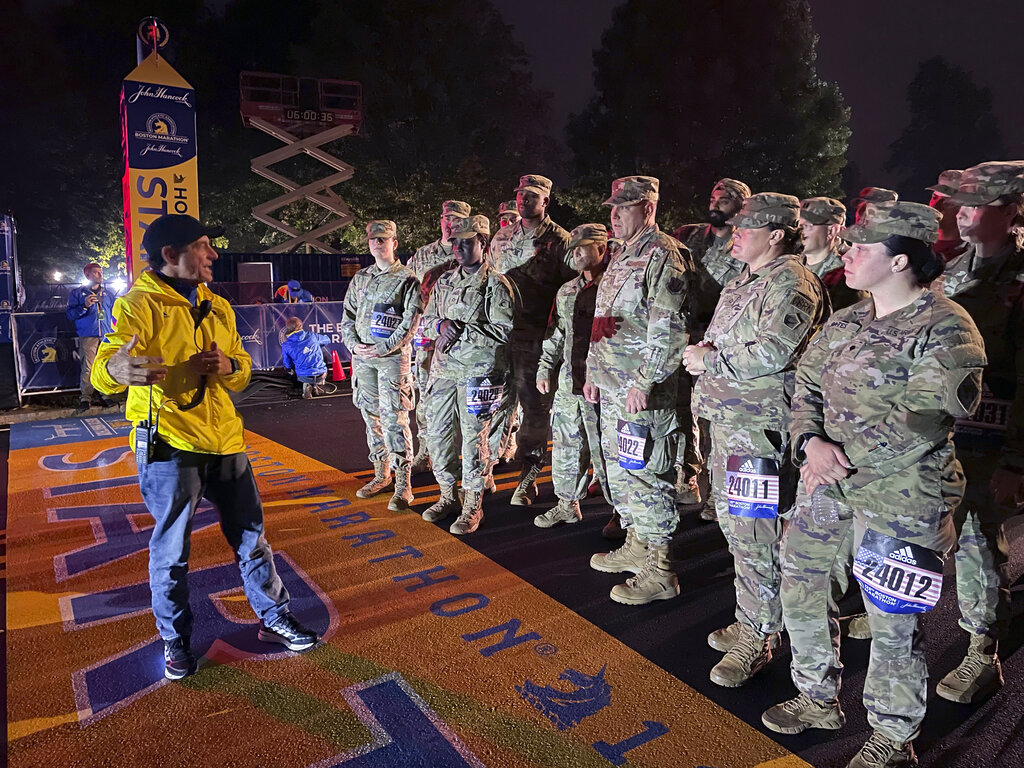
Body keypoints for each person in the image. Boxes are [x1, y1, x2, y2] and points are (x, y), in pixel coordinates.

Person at [779, 200, 984, 768]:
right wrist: (810, 445)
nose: (847, 253)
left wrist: (838, 457)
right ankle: (817, 698)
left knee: (894, 624)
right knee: (800, 588)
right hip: (827, 484)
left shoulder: (946, 326)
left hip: (903, 496)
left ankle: (894, 737)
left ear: (901, 262)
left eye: (862, 247)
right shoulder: (846, 320)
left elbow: (925, 419)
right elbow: (805, 386)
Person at [90, 214, 319, 680]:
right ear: (171, 256)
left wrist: (227, 363)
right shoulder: (136, 305)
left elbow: (241, 371)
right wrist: (117, 370)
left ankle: (274, 617)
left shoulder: (218, 306)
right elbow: (104, 367)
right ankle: (175, 641)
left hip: (225, 439)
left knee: (253, 538)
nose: (213, 255)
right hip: (169, 443)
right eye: (203, 246)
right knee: (171, 551)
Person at [684, 193, 825, 687]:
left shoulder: (792, 283)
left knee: (755, 532)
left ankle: (759, 635)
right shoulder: (746, 279)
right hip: (732, 422)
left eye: (748, 227)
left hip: (759, 427)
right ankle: (759, 616)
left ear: (777, 235)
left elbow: (772, 351)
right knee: (737, 526)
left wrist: (708, 361)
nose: (736, 234)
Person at [933, 160, 1024, 705]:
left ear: (1011, 210)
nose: (961, 210)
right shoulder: (950, 272)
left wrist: (1018, 461)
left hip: (994, 441)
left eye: (977, 201)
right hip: (943, 436)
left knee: (978, 545)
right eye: (960, 201)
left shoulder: (1020, 283)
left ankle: (981, 650)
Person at [585, 176, 694, 605]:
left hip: (642, 393)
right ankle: (636, 545)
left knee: (648, 476)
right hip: (614, 387)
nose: (613, 216)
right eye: (612, 208)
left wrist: (645, 381)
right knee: (622, 471)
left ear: (648, 208)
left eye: (623, 208)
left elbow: (668, 330)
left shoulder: (663, 255)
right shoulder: (622, 254)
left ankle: (662, 569)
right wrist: (594, 373)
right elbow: (605, 324)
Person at [418, 215, 515, 534]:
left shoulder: (496, 284)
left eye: (467, 242)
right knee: (438, 436)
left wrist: (460, 331)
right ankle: (448, 494)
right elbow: (427, 321)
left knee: (475, 440)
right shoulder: (444, 282)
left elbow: (504, 331)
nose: (458, 248)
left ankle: (473, 505)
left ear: (483, 244)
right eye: (455, 242)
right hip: (444, 374)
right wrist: (439, 326)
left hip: (480, 375)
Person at [489, 174, 575, 505]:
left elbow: (571, 294)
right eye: (521, 194)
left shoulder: (560, 240)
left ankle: (528, 476)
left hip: (537, 337)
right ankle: (485, 469)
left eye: (531, 196)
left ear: (545, 202)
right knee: (494, 404)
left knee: (534, 410)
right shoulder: (501, 237)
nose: (524, 200)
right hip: (500, 337)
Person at [672, 178, 752, 519]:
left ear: (741, 207)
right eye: (713, 195)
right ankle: (687, 478)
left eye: (726, 198)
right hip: (680, 334)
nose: (717, 202)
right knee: (678, 412)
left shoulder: (747, 243)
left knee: (709, 419)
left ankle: (715, 492)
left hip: (717, 341)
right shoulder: (689, 236)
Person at [534, 223, 612, 528]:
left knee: (608, 452)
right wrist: (545, 367)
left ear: (602, 249)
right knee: (566, 446)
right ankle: (567, 503)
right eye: (573, 249)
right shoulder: (567, 291)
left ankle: (622, 516)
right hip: (570, 381)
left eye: (583, 247)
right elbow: (556, 334)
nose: (576, 254)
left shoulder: (616, 288)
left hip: (605, 385)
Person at [341, 220, 422, 512]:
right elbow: (347, 316)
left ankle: (404, 483)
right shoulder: (361, 277)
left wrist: (382, 347)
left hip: (390, 361)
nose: (378, 243)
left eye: (384, 239)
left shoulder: (407, 280)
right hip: (363, 360)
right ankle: (381, 474)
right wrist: (353, 344)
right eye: (374, 239)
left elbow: (410, 325)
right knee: (370, 417)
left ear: (394, 243)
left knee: (394, 420)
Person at [407, 201, 470, 473]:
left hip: (461, 341)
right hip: (427, 337)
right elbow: (408, 292)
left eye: (456, 219)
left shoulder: (471, 253)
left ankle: (464, 454)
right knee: (426, 398)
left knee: (463, 403)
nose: (450, 223)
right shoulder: (423, 255)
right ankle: (427, 449)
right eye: (446, 217)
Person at [66, 262, 116, 414]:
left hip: (106, 336)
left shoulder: (108, 294)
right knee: (88, 368)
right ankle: (85, 398)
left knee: (106, 366)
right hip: (88, 336)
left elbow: (114, 314)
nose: (100, 275)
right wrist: (84, 306)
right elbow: (70, 315)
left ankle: (105, 394)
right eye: (96, 272)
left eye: (101, 272)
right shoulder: (78, 293)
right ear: (87, 275)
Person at [799, 197, 865, 311]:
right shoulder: (790, 265)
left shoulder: (847, 279)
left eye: (807, 226)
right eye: (797, 225)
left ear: (832, 231)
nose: (799, 232)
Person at [281, 315, 330, 398]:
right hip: (321, 374)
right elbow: (327, 340)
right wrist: (316, 345)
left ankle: (308, 385)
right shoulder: (312, 336)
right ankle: (315, 384)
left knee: (292, 367)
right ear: (300, 326)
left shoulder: (286, 345)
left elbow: (287, 365)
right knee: (321, 355)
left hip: (303, 376)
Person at [927, 169, 968, 264]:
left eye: (947, 203)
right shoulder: (913, 241)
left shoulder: (966, 254)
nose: (936, 206)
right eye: (934, 197)